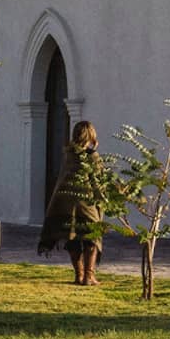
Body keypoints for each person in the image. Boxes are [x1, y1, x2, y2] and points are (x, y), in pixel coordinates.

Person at [38, 121, 107, 286]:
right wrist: (103, 200)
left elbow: (62, 178)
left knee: (73, 239)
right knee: (92, 238)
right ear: (90, 135)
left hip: (64, 204)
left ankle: (79, 275)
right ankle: (89, 276)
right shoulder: (92, 156)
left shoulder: (68, 155)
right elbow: (96, 182)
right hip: (86, 204)